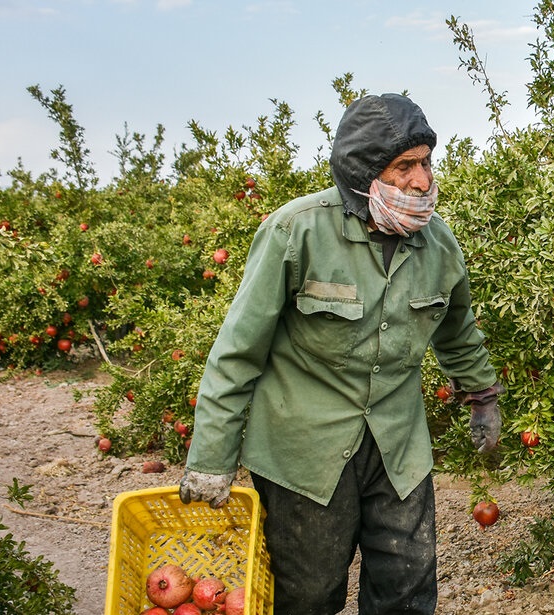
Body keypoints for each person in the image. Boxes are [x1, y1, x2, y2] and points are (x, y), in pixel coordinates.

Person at [178, 93, 504, 614]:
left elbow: (456, 326)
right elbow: (237, 353)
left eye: (426, 163)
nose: (422, 181)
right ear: (364, 172)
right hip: (303, 446)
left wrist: (482, 394)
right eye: (405, 167)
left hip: (397, 443)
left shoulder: (438, 243)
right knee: (308, 593)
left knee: (407, 586)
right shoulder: (296, 231)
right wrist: (211, 458)